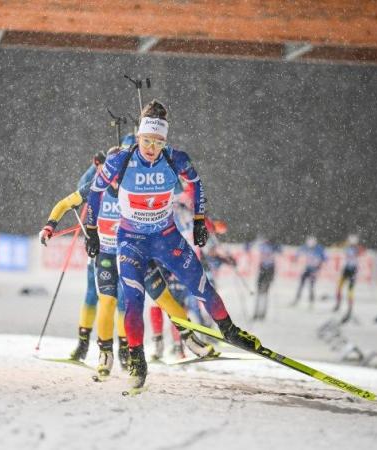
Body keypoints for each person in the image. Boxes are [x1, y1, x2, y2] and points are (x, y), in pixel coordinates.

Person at [84, 99, 257, 390]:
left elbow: (197, 183)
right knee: (134, 302)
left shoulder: (175, 158)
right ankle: (138, 361)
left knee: (201, 286)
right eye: (146, 140)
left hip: (167, 237)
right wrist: (91, 229)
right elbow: (95, 190)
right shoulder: (121, 160)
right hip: (132, 242)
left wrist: (200, 220)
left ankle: (230, 331)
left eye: (158, 142)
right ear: (138, 136)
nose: (151, 148)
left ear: (165, 141)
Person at [41, 144, 216, 377]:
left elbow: (168, 190)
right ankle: (105, 354)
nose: (112, 177)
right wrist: (49, 225)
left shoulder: (133, 182)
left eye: (115, 172)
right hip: (106, 255)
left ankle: (190, 339)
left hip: (136, 251)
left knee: (163, 296)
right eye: (108, 172)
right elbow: (64, 204)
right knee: (107, 302)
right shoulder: (94, 188)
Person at [39, 152, 105, 363]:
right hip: (96, 249)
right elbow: (80, 187)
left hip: (119, 252)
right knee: (91, 295)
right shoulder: (95, 179)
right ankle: (82, 346)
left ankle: (122, 352)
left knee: (119, 300)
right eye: (102, 169)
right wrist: (93, 165)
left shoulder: (128, 180)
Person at [335, 233, 364, 323]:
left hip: (352, 270)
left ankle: (349, 308)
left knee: (350, 290)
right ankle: (338, 304)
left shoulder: (356, 248)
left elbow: (362, 251)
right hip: (346, 269)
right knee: (339, 287)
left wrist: (355, 246)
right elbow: (338, 246)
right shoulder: (347, 246)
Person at [250, 236, 281, 321]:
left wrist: (275, 244)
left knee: (265, 293)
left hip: (270, 270)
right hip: (262, 269)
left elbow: (280, 250)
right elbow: (248, 247)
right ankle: (256, 312)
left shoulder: (274, 246)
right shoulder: (262, 245)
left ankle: (262, 313)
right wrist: (256, 241)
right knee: (259, 292)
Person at [291, 236, 327, 307]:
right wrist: (295, 258)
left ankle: (311, 302)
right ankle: (297, 299)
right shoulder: (306, 247)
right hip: (307, 269)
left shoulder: (319, 249)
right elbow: (299, 251)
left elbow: (325, 258)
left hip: (314, 270)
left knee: (311, 286)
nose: (310, 248)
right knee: (301, 284)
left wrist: (320, 265)